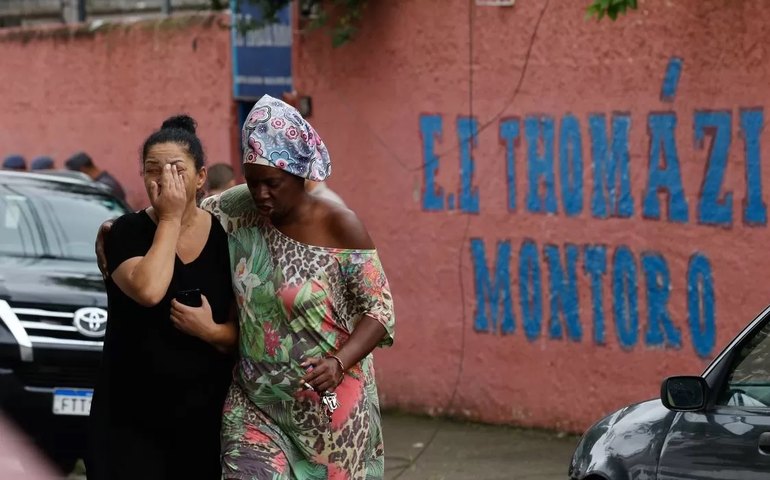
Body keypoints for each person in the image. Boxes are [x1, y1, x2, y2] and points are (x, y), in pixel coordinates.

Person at [201, 95, 395, 479]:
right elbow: (184, 219)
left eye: (272, 183)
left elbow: (380, 312)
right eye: (252, 182)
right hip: (256, 405)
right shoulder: (238, 208)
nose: (261, 195)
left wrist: (339, 363)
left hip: (329, 413)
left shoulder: (340, 225)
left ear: (297, 173)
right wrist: (120, 233)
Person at [87, 115, 237, 480]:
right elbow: (149, 290)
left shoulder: (228, 239)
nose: (164, 179)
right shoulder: (125, 232)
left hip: (202, 423)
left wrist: (211, 332)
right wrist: (169, 218)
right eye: (153, 170)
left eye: (176, 170)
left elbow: (247, 332)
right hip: (130, 422)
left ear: (201, 177)